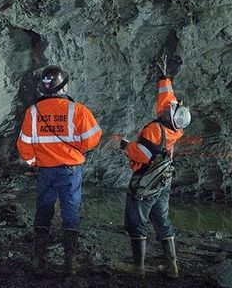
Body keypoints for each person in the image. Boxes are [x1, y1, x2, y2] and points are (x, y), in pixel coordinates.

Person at [16, 65, 103, 276]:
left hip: (45, 170)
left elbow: (24, 145)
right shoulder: (78, 110)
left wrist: (33, 163)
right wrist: (77, 150)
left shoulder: (33, 112)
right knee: (70, 211)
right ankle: (70, 262)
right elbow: (93, 139)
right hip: (70, 170)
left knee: (44, 209)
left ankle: (38, 260)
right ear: (63, 87)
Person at [119, 55, 191, 279]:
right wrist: (164, 76)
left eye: (169, 109)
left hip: (145, 182)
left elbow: (140, 154)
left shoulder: (155, 130)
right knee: (161, 219)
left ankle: (138, 268)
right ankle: (172, 267)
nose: (167, 106)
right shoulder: (174, 129)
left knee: (136, 221)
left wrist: (125, 146)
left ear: (169, 116)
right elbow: (167, 99)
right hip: (163, 181)